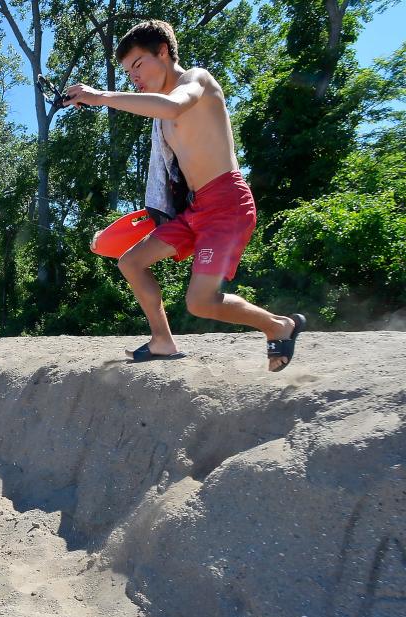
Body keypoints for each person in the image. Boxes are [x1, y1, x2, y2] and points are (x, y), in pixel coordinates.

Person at [64, 19, 305, 372]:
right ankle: (162, 340)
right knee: (130, 262)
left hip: (227, 204)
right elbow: (169, 174)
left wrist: (99, 97)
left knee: (200, 302)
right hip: (195, 209)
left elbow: (174, 105)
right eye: (128, 72)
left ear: (162, 52)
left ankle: (278, 326)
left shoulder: (197, 80)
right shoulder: (159, 118)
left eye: (137, 65)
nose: (134, 77)